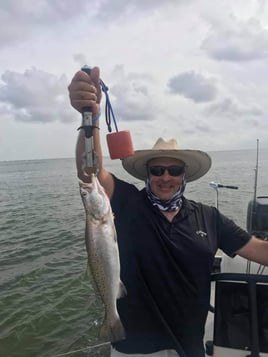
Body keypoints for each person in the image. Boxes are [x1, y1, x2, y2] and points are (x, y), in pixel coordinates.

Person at [68, 67, 268, 357]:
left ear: (184, 175)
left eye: (174, 170)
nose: (165, 177)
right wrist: (90, 119)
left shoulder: (209, 217)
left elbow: (259, 250)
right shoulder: (128, 203)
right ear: (147, 174)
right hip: (133, 348)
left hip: (189, 347)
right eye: (157, 170)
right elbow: (90, 173)